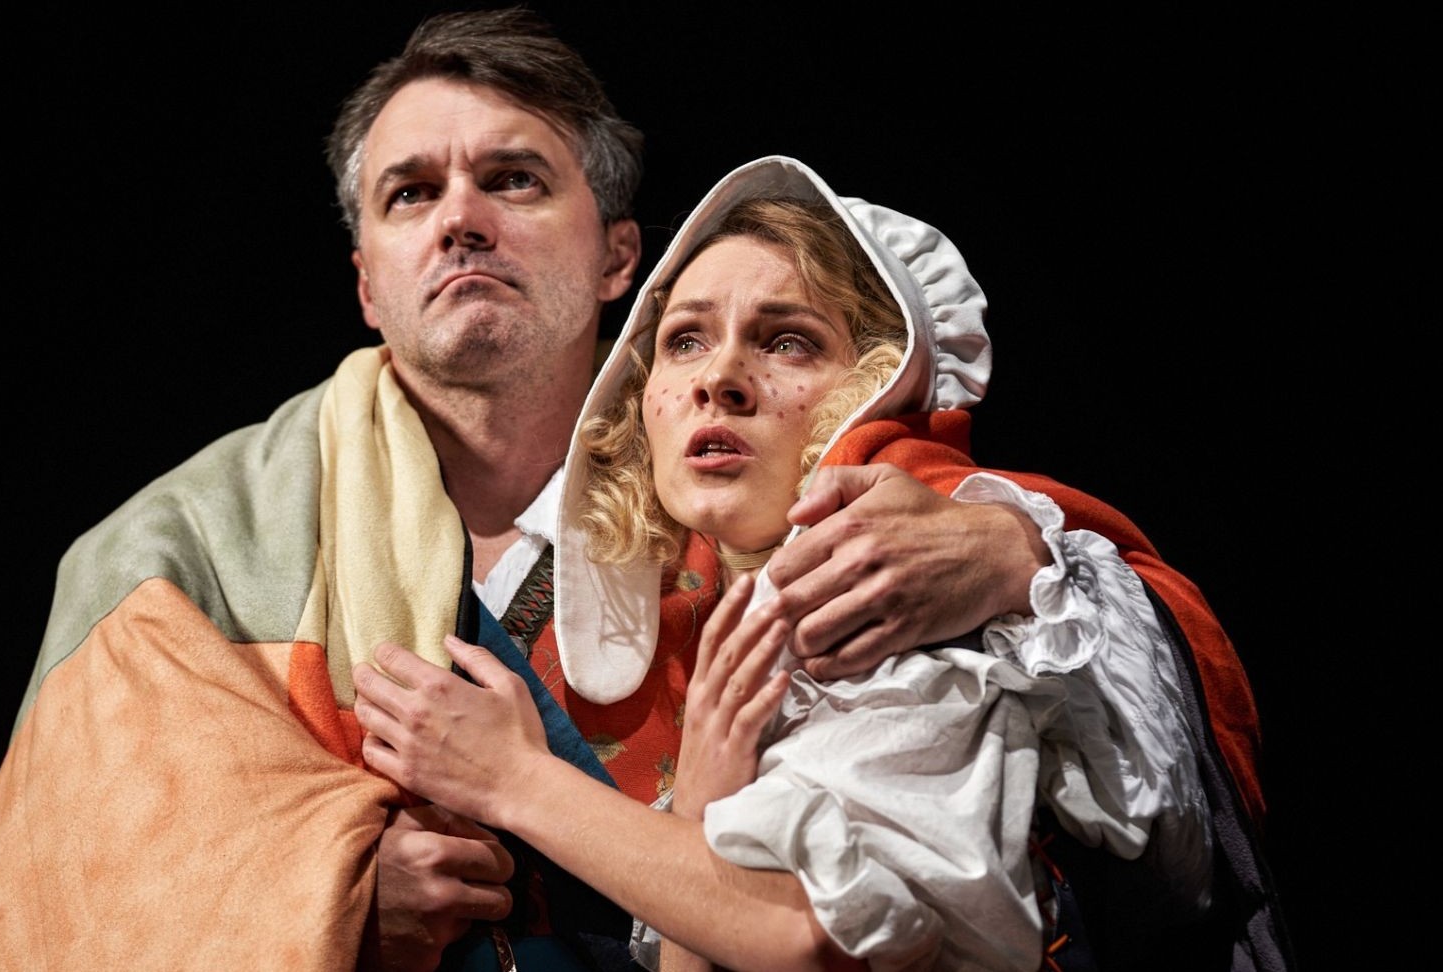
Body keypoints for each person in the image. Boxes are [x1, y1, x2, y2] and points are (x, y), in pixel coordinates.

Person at [0, 8, 1283, 972]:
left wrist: (1014, 558)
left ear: (617, 258)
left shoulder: (788, 494)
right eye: (410, 194)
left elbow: (1151, 796)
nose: (459, 217)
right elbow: (53, 903)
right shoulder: (178, 553)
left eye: (513, 179)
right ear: (365, 284)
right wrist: (325, 899)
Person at [353, 157, 1281, 971]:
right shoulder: (702, 617)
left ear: (877, 380)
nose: (719, 377)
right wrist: (697, 814)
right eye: (685, 340)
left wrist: (516, 780)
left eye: (786, 340)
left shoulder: (905, 578)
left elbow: (817, 935)